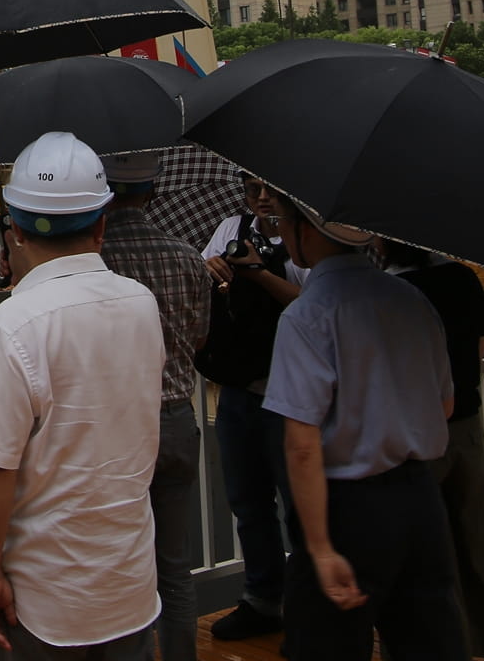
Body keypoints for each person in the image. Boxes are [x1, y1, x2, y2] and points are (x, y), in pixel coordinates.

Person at [0, 131, 165, 660]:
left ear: (16, 230)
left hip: (40, 600)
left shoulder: (16, 323)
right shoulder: (141, 304)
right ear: (101, 224)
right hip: (128, 587)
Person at [261, 192, 467, 661]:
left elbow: (301, 445)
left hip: (346, 509)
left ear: (306, 232)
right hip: (420, 499)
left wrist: (319, 548)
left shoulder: (307, 316)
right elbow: (446, 403)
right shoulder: (413, 299)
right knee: (430, 643)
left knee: (326, 645)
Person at [97, 153, 211, 661]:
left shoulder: (97, 261)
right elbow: (199, 335)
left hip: (120, 430)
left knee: (121, 562)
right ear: (153, 192)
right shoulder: (188, 257)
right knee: (175, 565)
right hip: (178, 420)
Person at [378, 237, 484, 661]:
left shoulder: (391, 292)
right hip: (467, 425)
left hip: (414, 434)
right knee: (476, 544)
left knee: (426, 557)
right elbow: (477, 347)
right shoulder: (463, 278)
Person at [198, 174, 307, 642]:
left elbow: (316, 303)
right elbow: (205, 273)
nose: (261, 197)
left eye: (271, 188)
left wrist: (259, 273)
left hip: (296, 391)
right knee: (248, 501)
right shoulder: (231, 227)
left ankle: (308, 604)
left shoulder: (307, 239)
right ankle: (262, 598)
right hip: (242, 386)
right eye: (251, 188)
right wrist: (216, 271)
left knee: (301, 505)